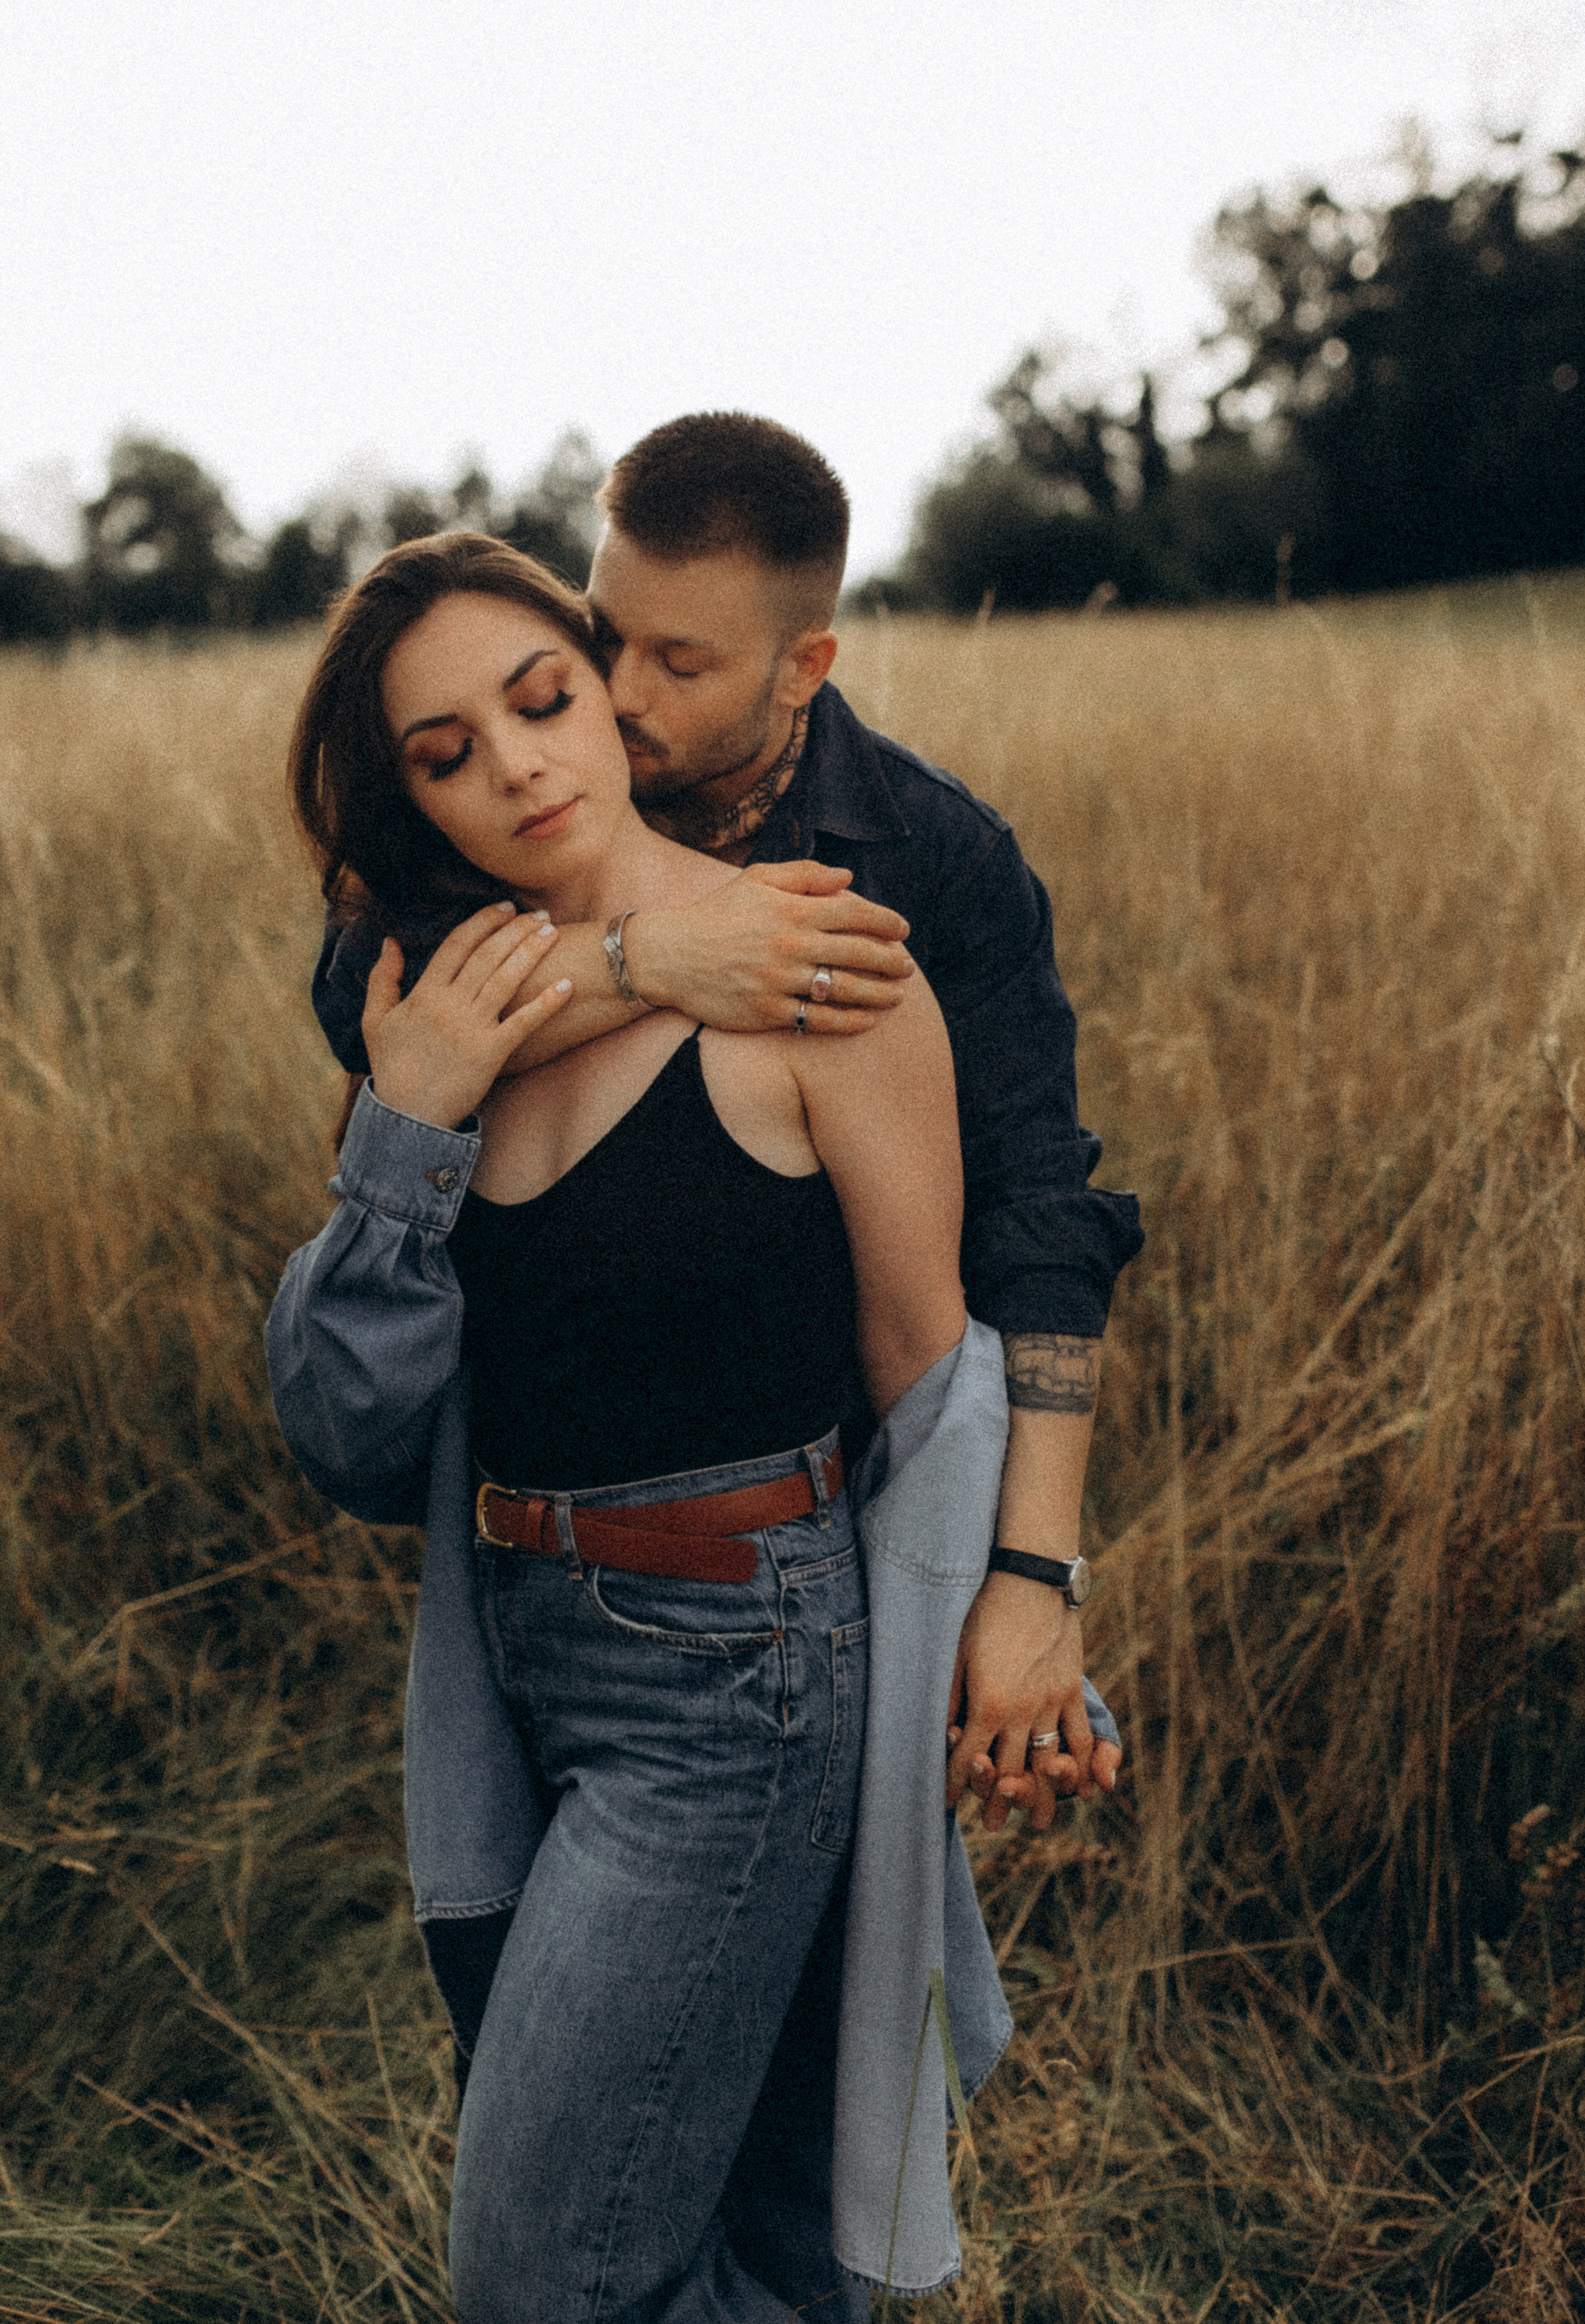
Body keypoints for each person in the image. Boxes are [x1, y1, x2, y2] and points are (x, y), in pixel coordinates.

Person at [265, 533, 1077, 2318]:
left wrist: (1026, 1618)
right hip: (504, 1668)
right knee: (712, 2200)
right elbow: (344, 1439)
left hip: (740, 1678)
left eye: (542, 701)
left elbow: (928, 1387)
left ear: (615, 690)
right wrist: (404, 1127)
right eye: (446, 753)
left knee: (546, 2271)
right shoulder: (440, 1019)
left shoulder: (822, 974)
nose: (518, 764)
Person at [312, 412, 1144, 1831]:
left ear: (802, 664)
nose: (615, 693)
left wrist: (1026, 1580)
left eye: (680, 662)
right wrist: (650, 962)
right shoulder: (528, 783)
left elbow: (1037, 1225)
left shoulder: (932, 860)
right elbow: (374, 1021)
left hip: (813, 1533)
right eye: (604, 632)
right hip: (533, 1550)